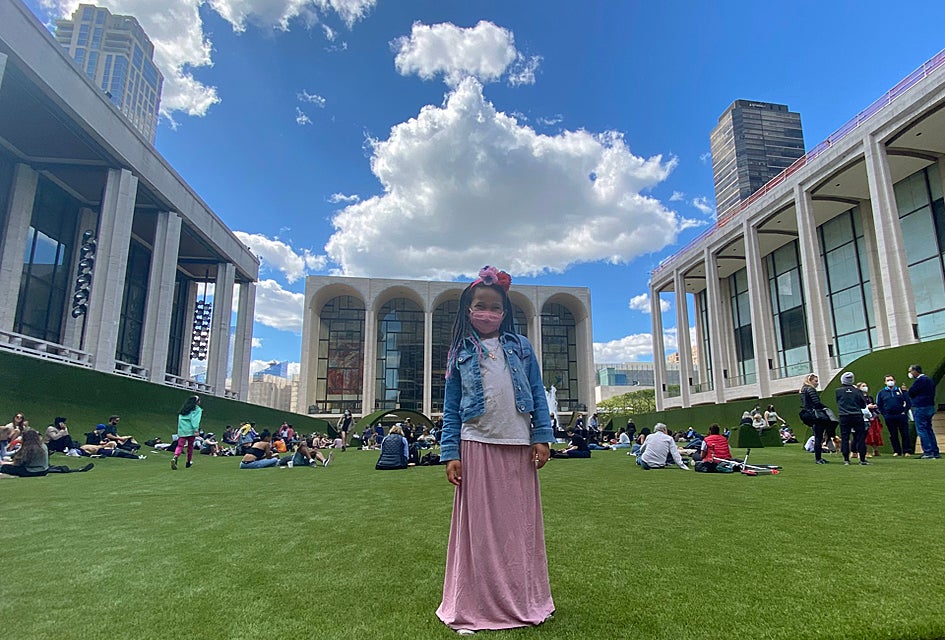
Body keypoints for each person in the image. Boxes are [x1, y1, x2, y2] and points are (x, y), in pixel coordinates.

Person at [437, 265, 554, 633]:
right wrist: (450, 452)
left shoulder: (521, 348)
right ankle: (470, 607)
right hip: (475, 445)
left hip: (518, 445)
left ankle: (523, 601)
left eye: (494, 307)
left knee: (519, 530)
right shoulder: (459, 352)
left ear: (505, 313)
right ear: (467, 310)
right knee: (478, 534)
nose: (486, 312)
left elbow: (537, 392)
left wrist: (542, 436)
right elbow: (451, 407)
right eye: (479, 305)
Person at [907, 364, 940, 459]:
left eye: (911, 371)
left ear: (915, 371)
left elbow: (912, 392)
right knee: (929, 429)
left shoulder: (920, 381)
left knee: (922, 429)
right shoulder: (929, 380)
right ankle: (935, 452)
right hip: (930, 406)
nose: (910, 373)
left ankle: (928, 452)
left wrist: (908, 391)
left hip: (921, 407)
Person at [836, 371, 869, 466]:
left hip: (844, 416)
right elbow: (863, 405)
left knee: (845, 437)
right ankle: (862, 459)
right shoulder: (857, 391)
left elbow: (838, 402)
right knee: (861, 437)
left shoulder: (838, 391)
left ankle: (846, 459)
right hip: (857, 415)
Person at [801, 373, 833, 465]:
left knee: (817, 436)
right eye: (815, 381)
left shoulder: (804, 390)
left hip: (809, 414)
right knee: (819, 437)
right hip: (815, 415)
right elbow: (816, 402)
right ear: (810, 381)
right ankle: (818, 458)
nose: (817, 383)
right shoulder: (811, 389)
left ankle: (818, 457)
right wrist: (825, 408)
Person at [876, 373, 912, 457]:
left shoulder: (900, 391)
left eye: (891, 380)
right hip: (889, 416)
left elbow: (908, 402)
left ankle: (907, 451)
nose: (890, 382)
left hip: (901, 415)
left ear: (894, 381)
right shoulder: (881, 393)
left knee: (905, 433)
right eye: (888, 380)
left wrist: (905, 411)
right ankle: (897, 451)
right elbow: (879, 405)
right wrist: (884, 414)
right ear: (885, 382)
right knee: (893, 434)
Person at [172, 395, 202, 470]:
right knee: (190, 446)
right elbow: (195, 420)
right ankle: (188, 461)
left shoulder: (184, 409)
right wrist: (196, 429)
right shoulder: (197, 409)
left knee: (180, 445)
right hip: (191, 430)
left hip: (182, 430)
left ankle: (175, 456)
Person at [857, 382, 883, 457]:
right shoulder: (859, 397)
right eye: (863, 386)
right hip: (864, 417)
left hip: (873, 417)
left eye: (866, 385)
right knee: (867, 435)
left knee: (875, 434)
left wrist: (874, 407)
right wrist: (867, 407)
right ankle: (866, 451)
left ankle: (876, 450)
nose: (865, 387)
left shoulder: (870, 397)